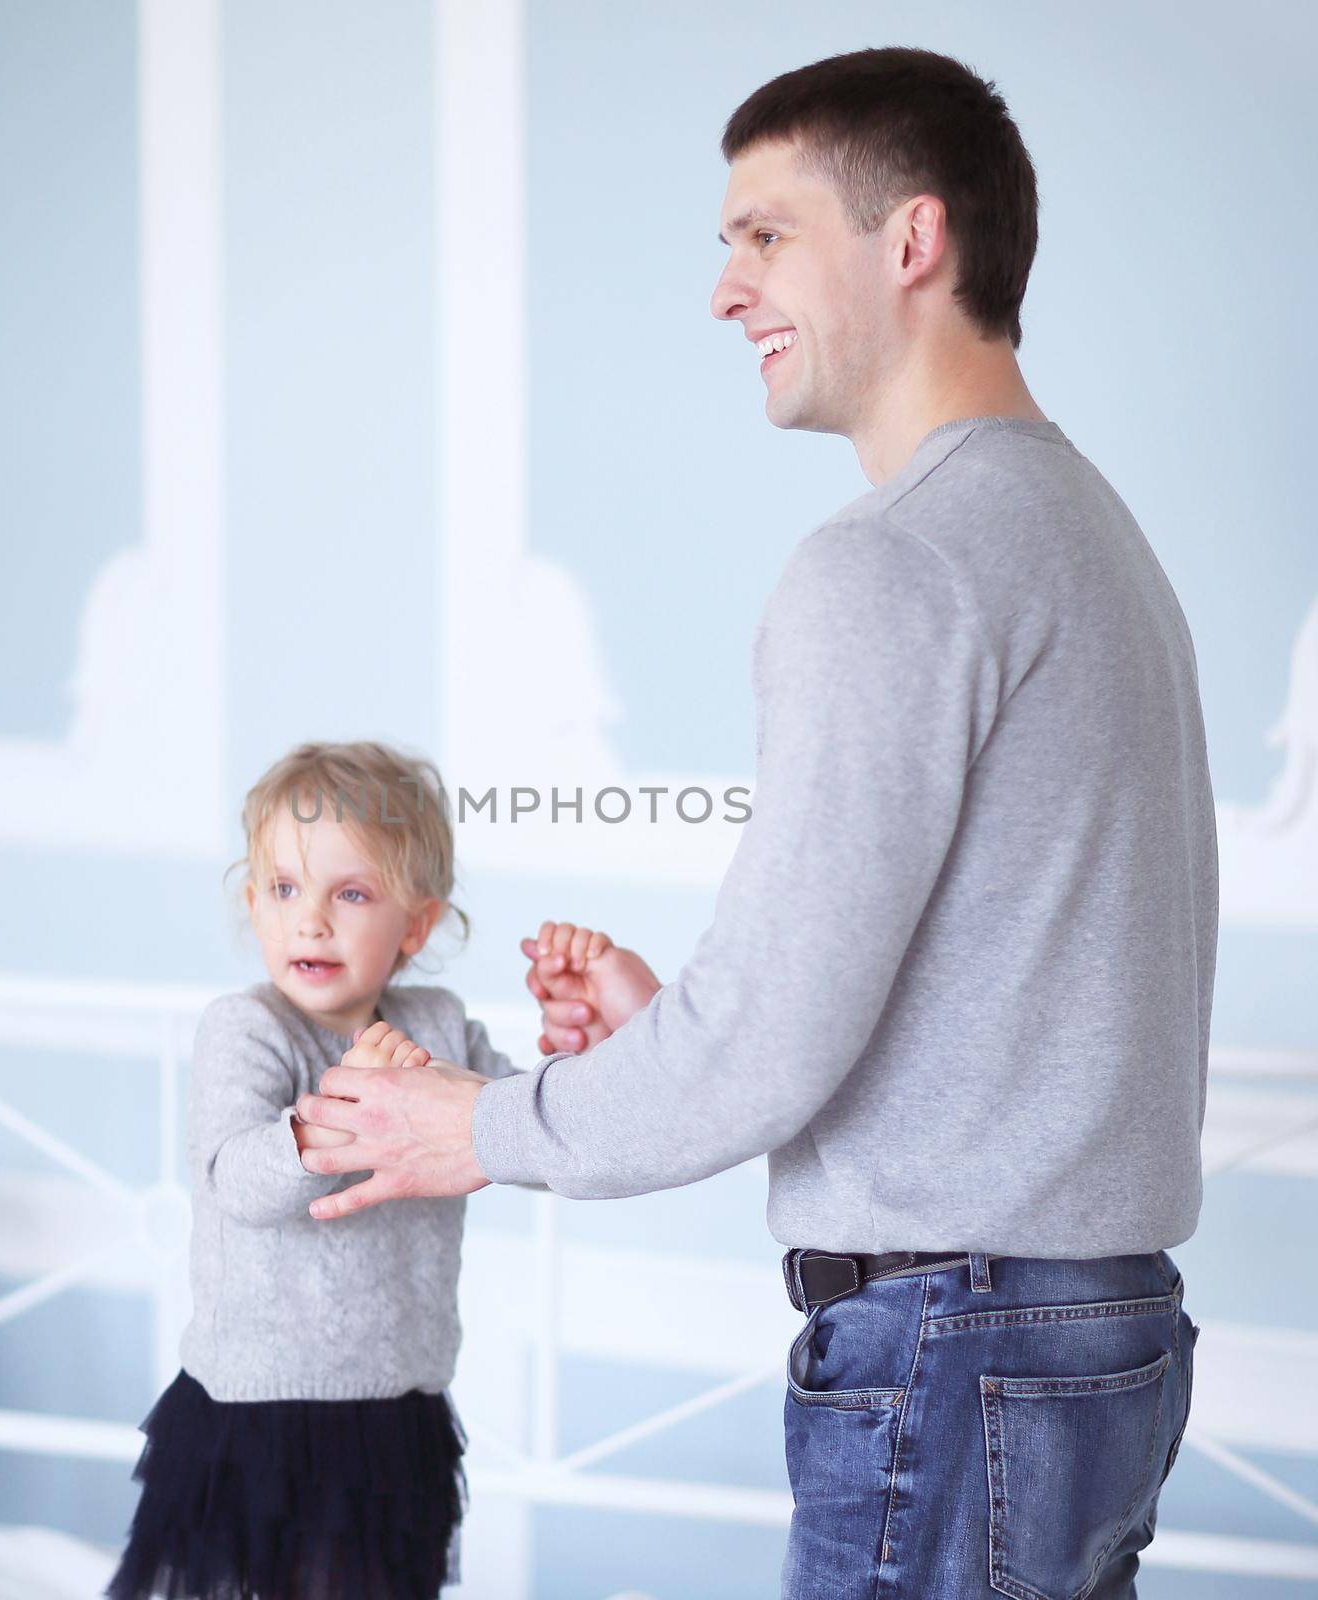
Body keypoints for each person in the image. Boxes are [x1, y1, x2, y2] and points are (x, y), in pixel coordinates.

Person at [293, 46, 1217, 1600]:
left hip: (957, 1353)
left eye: (765, 235)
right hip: (1096, 1346)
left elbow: (772, 1039)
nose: (726, 291)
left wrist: (482, 1127)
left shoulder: (892, 566)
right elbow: (993, 987)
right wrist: (683, 1034)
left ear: (911, 241)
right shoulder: (1090, 535)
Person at [105, 738, 624, 1600]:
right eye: (283, 889)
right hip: (255, 1414)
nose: (310, 918)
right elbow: (237, 1180)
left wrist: (583, 1054)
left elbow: (522, 1139)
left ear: (415, 926)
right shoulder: (249, 1029)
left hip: (395, 1411)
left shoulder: (439, 1025)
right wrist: (336, 1109)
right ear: (253, 904)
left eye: (350, 893)